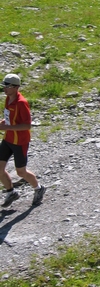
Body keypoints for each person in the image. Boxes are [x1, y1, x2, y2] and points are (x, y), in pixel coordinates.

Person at [0, 74, 45, 208]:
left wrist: (7, 127)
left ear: (16, 87)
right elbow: (10, 117)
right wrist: (4, 123)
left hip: (20, 142)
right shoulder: (8, 99)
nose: (4, 89)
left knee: (21, 172)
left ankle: (38, 188)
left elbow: (27, 125)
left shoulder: (21, 103)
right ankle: (11, 192)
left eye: (7, 86)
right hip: (8, 139)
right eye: (4, 86)